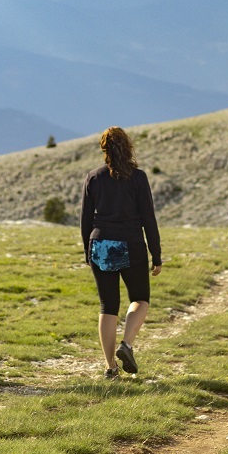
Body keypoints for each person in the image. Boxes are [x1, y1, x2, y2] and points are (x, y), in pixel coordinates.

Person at [81, 127, 162, 379]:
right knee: (139, 298)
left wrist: (88, 251)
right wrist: (156, 255)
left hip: (101, 245)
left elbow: (85, 220)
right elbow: (149, 219)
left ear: (104, 150)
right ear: (128, 147)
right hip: (131, 245)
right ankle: (126, 344)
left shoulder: (93, 178)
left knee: (108, 306)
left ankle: (110, 367)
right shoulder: (138, 178)